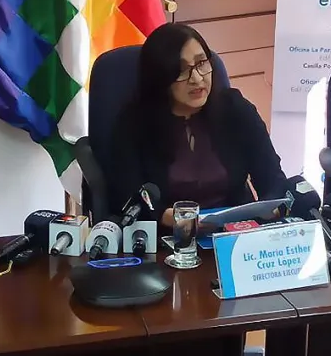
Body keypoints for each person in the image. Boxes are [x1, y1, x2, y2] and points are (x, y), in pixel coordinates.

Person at [107, 23, 288, 226]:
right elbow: (126, 196)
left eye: (201, 63)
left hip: (234, 236)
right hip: (168, 242)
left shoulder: (235, 108)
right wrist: (167, 218)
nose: (197, 78)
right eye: (182, 70)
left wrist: (270, 207)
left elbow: (272, 177)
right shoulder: (134, 122)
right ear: (160, 77)